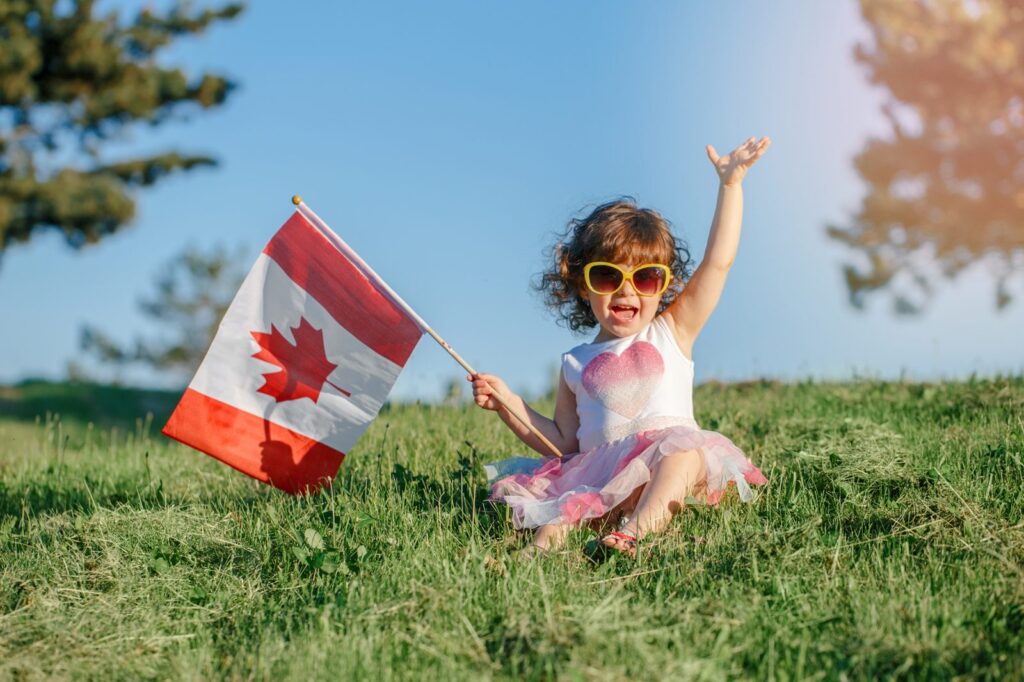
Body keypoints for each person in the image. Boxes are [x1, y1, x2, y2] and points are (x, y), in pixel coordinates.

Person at [470, 137, 771, 558]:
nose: (627, 291)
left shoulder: (672, 331)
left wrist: (731, 185)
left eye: (646, 278)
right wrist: (507, 403)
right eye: (608, 278)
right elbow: (563, 443)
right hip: (602, 474)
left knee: (681, 453)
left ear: (664, 285)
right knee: (563, 514)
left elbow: (718, 262)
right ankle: (531, 562)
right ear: (582, 285)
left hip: (667, 472)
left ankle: (632, 534)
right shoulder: (576, 362)